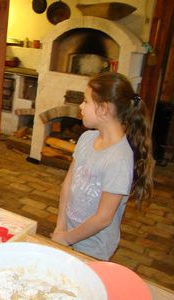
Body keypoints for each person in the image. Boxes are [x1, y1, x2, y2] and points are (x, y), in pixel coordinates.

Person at [51, 72, 154, 261]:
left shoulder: (119, 159)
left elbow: (103, 218)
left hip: (93, 249)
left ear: (104, 109)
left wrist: (66, 238)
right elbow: (67, 185)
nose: (81, 106)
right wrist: (61, 226)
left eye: (86, 101)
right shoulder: (86, 138)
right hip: (68, 234)